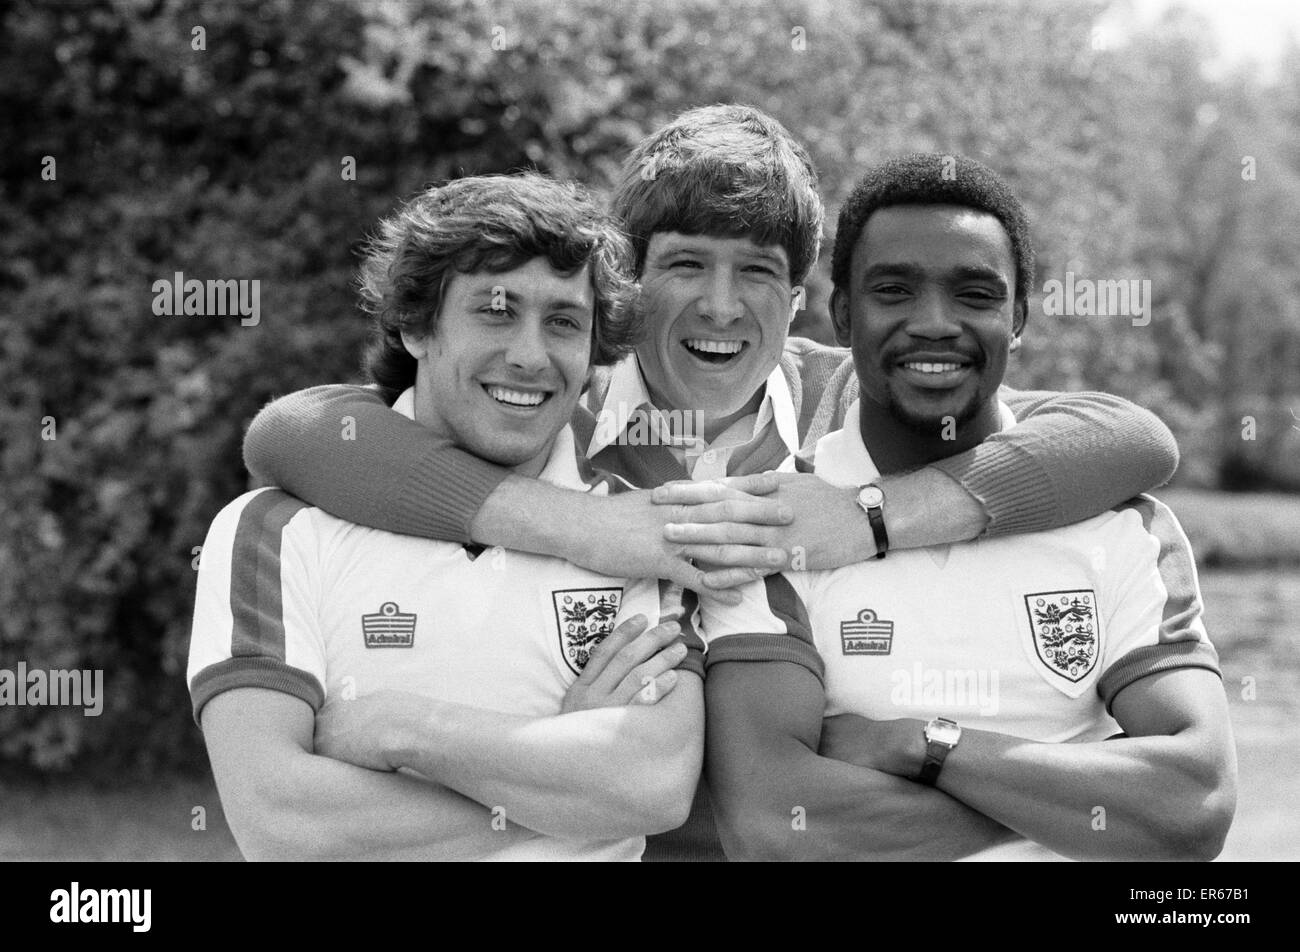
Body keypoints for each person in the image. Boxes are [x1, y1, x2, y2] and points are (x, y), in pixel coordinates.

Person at [240, 105, 1182, 860]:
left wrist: (870, 519)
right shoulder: (545, 405)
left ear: (806, 295)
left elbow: (1126, 436)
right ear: (627, 278)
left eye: (758, 274)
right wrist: (584, 528)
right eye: (685, 264)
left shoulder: (851, 400)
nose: (721, 306)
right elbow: (296, 432)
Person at [699, 154, 1237, 861]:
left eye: (975, 295)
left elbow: (1194, 809)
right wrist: (1078, 790)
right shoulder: (775, 523)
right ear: (842, 313)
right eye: (894, 290)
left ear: (1016, 318)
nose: (935, 324)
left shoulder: (1123, 529)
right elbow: (776, 825)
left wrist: (923, 746)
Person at [187, 173, 703, 861]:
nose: (529, 355)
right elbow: (281, 821)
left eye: (563, 322)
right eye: (496, 311)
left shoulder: (639, 528)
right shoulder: (273, 532)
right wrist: (562, 776)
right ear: (416, 325)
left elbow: (656, 785)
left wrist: (407, 731)